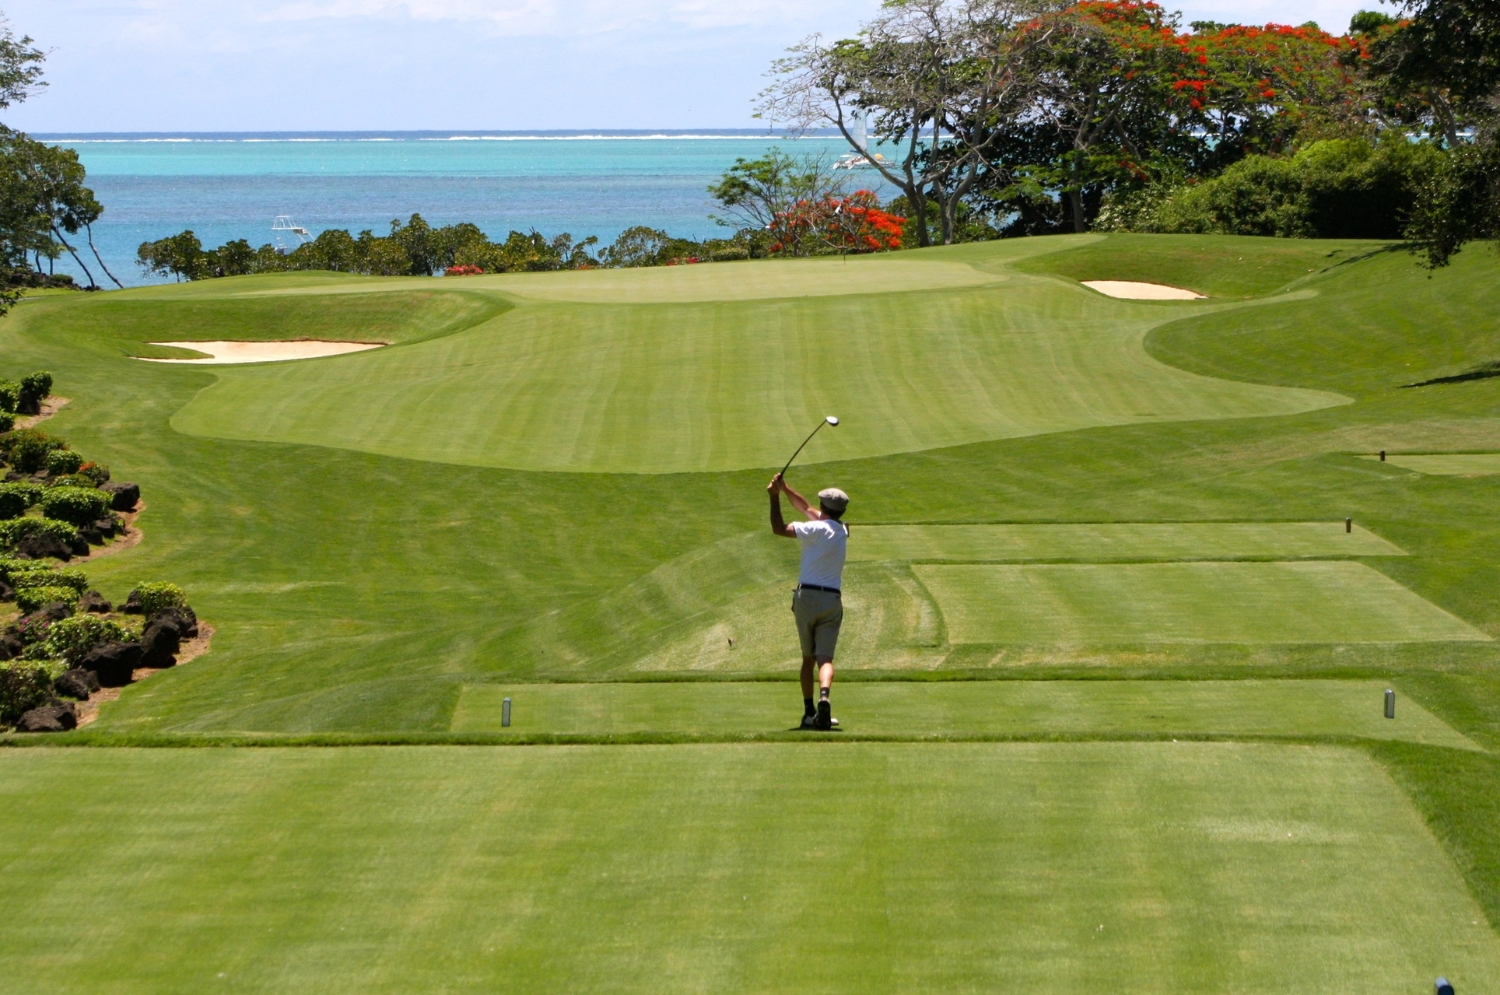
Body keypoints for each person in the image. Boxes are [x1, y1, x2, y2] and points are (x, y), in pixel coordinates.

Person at [768, 472, 849, 730]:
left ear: (823, 507)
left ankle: (808, 712)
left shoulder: (812, 529)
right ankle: (825, 696)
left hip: (806, 598)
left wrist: (774, 498)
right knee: (825, 659)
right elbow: (804, 507)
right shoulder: (843, 530)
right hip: (831, 601)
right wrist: (785, 488)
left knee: (807, 659)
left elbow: (778, 529)